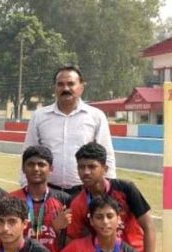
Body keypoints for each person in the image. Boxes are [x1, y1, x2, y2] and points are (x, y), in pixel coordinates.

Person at [22, 66, 116, 195]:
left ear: (81, 87)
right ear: (55, 88)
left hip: (84, 191)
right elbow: (28, 153)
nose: (65, 88)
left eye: (71, 84)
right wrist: (25, 185)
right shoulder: (39, 116)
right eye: (60, 84)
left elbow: (107, 155)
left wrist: (109, 190)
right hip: (48, 191)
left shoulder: (96, 116)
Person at [9, 146, 71, 252]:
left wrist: (58, 230)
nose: (36, 169)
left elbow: (70, 241)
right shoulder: (11, 199)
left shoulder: (65, 200)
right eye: (31, 164)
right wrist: (52, 227)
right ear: (23, 168)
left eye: (41, 165)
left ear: (51, 169)